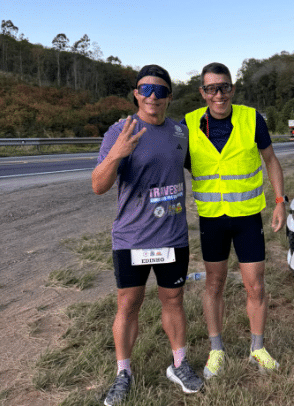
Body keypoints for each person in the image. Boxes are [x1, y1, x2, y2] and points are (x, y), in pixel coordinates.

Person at [92, 64, 203, 405]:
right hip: (132, 239)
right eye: (146, 89)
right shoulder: (120, 130)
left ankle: (179, 364)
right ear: (136, 94)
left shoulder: (180, 133)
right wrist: (116, 154)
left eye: (161, 90)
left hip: (173, 236)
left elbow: (200, 167)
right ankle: (123, 372)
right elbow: (98, 185)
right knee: (129, 303)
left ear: (170, 95)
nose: (153, 96)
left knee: (173, 300)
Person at [183, 62, 287, 379]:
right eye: (211, 88)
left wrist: (280, 201)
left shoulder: (251, 118)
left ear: (232, 88)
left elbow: (270, 159)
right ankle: (217, 350)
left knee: (255, 285)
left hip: (247, 218)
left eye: (224, 87)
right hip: (212, 220)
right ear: (202, 92)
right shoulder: (187, 125)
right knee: (213, 284)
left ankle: (258, 348)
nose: (218, 94)